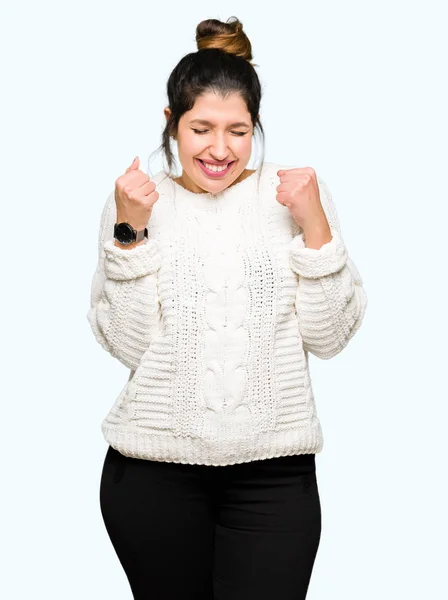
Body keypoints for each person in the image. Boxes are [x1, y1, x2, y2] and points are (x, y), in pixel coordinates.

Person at [86, 16, 368, 600]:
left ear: (255, 127)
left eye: (238, 131)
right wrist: (129, 234)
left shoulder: (293, 194)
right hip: (152, 471)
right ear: (172, 124)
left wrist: (314, 223)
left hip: (273, 474)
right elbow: (126, 343)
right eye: (202, 129)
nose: (220, 150)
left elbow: (331, 336)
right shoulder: (137, 201)